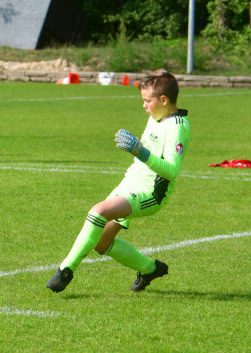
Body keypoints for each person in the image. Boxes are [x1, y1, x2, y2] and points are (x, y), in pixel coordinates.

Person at [46, 69, 190, 293]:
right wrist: (140, 153)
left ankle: (66, 270)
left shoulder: (177, 126)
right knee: (101, 243)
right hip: (130, 183)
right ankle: (150, 268)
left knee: (98, 212)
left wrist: (141, 153)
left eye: (147, 101)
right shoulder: (155, 117)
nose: (144, 106)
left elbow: (171, 171)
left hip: (151, 192)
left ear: (163, 99)